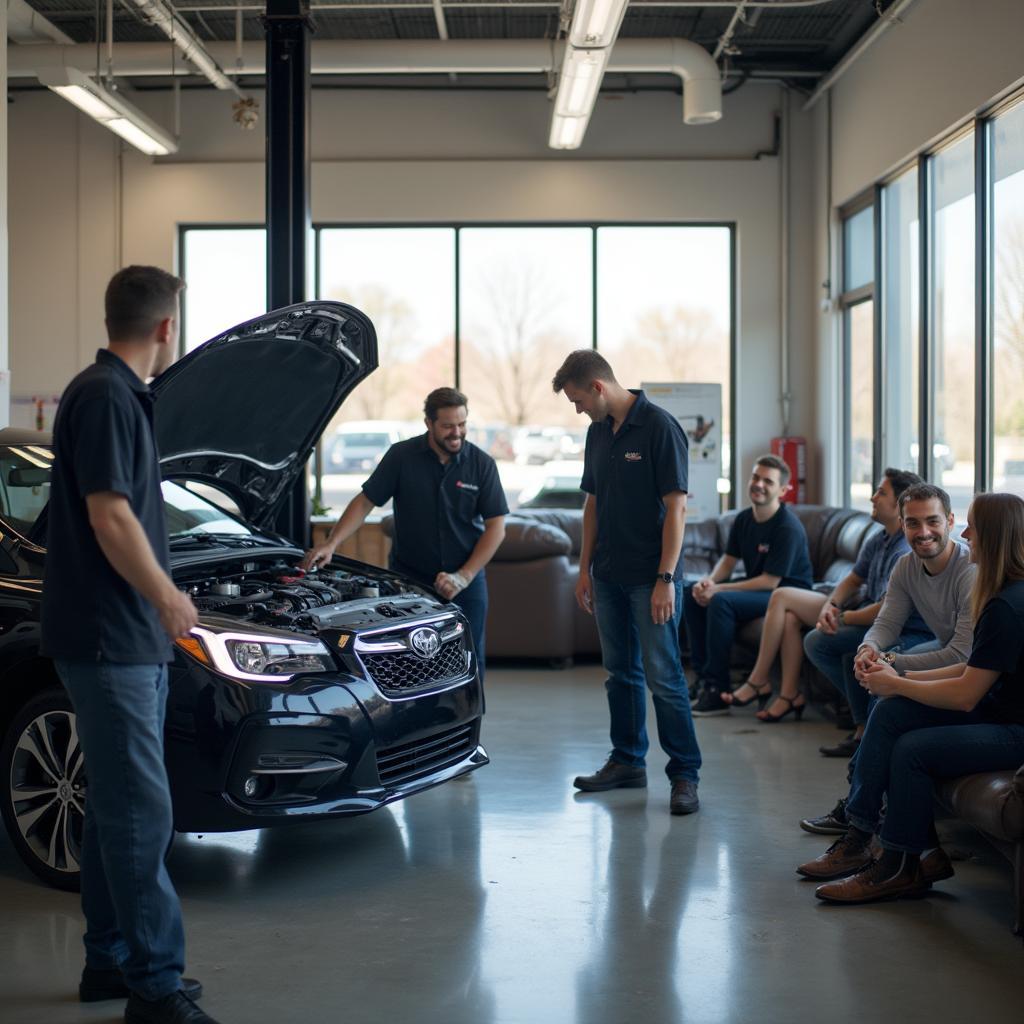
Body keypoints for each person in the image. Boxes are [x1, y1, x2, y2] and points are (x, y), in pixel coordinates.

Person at [41, 267, 219, 1024]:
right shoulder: (108, 396)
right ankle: (154, 988)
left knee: (119, 807)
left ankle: (107, 963)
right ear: (165, 328)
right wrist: (168, 596)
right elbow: (112, 517)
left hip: (126, 640)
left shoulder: (114, 395)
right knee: (145, 815)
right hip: (111, 639)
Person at [796, 492, 1024, 905]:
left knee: (911, 747)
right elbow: (971, 671)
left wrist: (896, 678)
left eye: (971, 526)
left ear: (992, 536)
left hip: (1013, 730)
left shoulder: (1007, 604)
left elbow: (967, 694)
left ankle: (891, 860)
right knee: (892, 712)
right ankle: (884, 845)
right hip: (996, 708)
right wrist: (885, 670)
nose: (967, 534)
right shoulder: (1004, 593)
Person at [552, 350, 700, 815]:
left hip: (648, 577)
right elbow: (592, 504)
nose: (578, 410)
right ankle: (627, 761)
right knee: (620, 673)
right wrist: (584, 569)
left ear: (598, 387)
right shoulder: (598, 433)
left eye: (578, 400)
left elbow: (676, 508)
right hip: (608, 575)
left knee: (665, 677)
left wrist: (666, 579)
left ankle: (684, 775)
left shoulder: (659, 427)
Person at [798, 482, 976, 837]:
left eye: (932, 522)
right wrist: (869, 650)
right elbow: (886, 622)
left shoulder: (969, 567)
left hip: (963, 660)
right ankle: (865, 802)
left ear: (951, 521)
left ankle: (859, 802)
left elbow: (962, 653)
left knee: (889, 690)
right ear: (903, 523)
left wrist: (892, 664)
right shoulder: (905, 565)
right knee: (874, 673)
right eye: (912, 523)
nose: (922, 532)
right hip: (942, 648)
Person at [302, 387, 507, 676]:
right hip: (411, 580)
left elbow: (496, 528)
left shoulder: (481, 464)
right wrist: (332, 543)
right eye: (448, 426)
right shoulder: (401, 456)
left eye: (462, 425)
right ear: (429, 424)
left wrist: (463, 576)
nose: (457, 433)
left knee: (469, 658)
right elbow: (365, 502)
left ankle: (470, 721)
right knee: (411, 659)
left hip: (467, 582)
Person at [726, 468, 928, 735]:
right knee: (788, 614)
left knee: (793, 611)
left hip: (891, 627)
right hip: (861, 611)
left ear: (900, 503)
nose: (872, 497)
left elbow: (887, 611)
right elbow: (852, 580)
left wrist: (841, 617)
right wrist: (830, 607)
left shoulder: (905, 549)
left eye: (881, 492)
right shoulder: (879, 539)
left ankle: (762, 681)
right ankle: (789, 695)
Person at [684, 455, 814, 717]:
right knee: (691, 593)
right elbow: (729, 560)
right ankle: (703, 678)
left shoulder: (786, 527)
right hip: (762, 592)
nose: (759, 484)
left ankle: (717, 689)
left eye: (768, 481)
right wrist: (708, 581)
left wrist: (718, 590)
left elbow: (770, 581)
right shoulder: (744, 519)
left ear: (783, 490)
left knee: (720, 601)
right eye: (756, 477)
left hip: (786, 594)